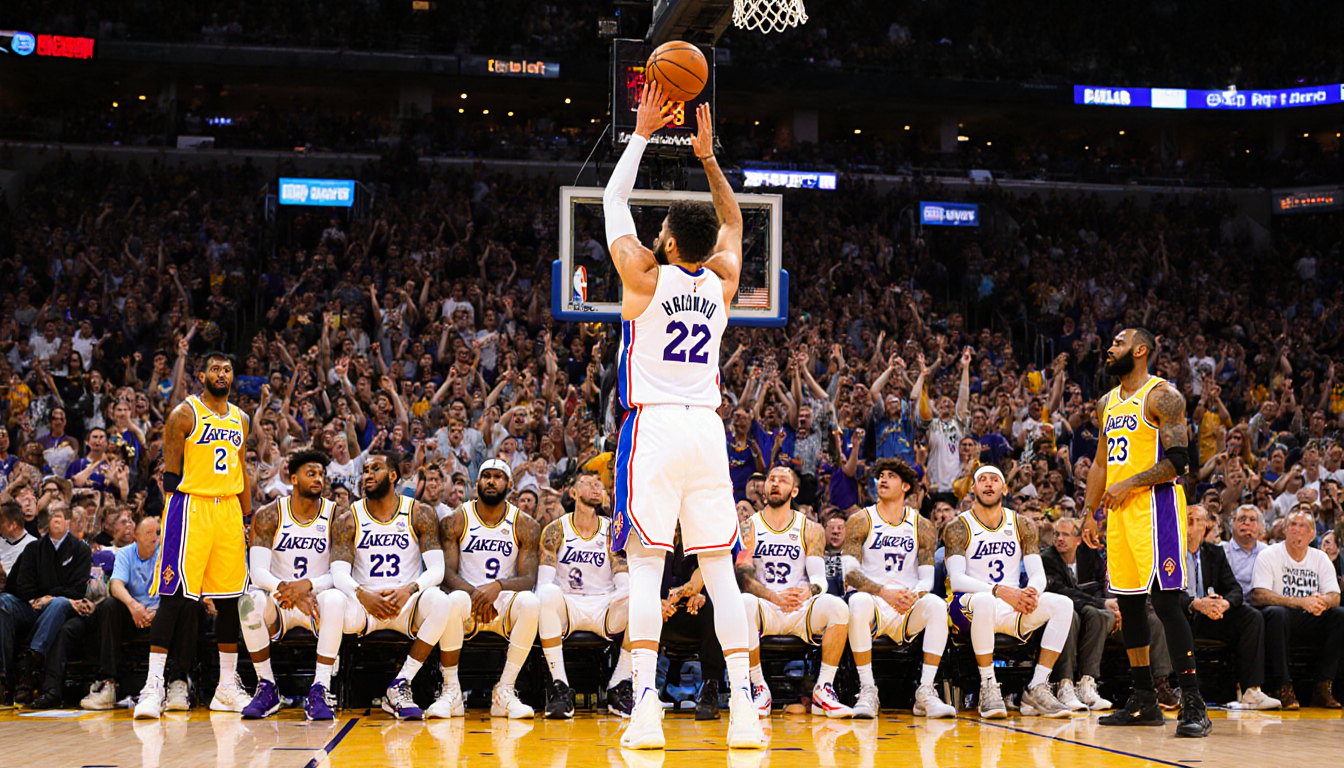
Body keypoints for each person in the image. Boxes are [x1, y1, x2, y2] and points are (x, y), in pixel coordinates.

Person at [601, 83, 762, 749]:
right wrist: (709, 159)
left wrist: (642, 132)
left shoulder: (644, 277)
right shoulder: (721, 280)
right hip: (706, 429)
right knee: (721, 572)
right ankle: (745, 711)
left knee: (645, 565)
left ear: (665, 240)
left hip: (656, 426)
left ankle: (644, 708)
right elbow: (734, 223)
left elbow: (613, 202)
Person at [1083, 329, 1211, 736]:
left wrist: (1130, 484)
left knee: (1168, 604)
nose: (1110, 348)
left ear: (1140, 350)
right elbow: (1100, 463)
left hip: (1158, 510)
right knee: (1131, 605)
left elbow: (1180, 461)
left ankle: (1193, 702)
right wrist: (1088, 512)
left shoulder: (1163, 396)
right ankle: (1144, 700)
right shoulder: (1106, 403)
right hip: (1119, 515)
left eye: (1118, 343)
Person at [137, 352, 252, 719]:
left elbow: (242, 469)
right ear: (202, 375)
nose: (222, 374)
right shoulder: (184, 414)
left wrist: (247, 517)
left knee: (230, 599)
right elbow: (171, 474)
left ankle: (227, 687)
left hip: (229, 509)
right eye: (215, 369)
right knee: (174, 597)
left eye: (227, 369)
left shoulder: (241, 419)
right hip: (190, 506)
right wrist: (175, 515)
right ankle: (153, 685)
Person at [330, 451, 453, 720]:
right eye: (365, 470)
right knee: (331, 602)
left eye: (376, 469)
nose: (368, 475)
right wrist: (362, 594)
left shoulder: (420, 512)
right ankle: (326, 680)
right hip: (364, 606)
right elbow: (338, 572)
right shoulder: (348, 518)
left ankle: (401, 684)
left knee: (441, 601)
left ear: (394, 475)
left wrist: (409, 590)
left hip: (405, 603)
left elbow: (437, 569)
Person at [943, 466, 1074, 718]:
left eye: (994, 480)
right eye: (982, 480)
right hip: (969, 605)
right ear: (973, 488)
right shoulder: (958, 526)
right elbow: (957, 580)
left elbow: (1037, 574)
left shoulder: (1022, 524)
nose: (988, 484)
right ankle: (988, 685)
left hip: (1012, 605)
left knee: (1062, 604)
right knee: (984, 601)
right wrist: (1000, 591)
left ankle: (1037, 687)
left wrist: (1031, 592)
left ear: (1004, 488)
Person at [841, 458, 956, 719]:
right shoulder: (860, 519)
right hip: (873, 602)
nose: (883, 479)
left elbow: (927, 578)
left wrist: (914, 595)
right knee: (857, 602)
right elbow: (849, 573)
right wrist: (884, 593)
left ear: (905, 486)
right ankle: (868, 690)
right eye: (880, 475)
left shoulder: (922, 525)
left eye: (890, 476)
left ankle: (926, 691)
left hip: (906, 604)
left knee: (937, 605)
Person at [238, 450, 347, 721]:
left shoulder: (337, 516)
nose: (318, 478)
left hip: (317, 602)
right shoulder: (269, 514)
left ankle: (320, 688)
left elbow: (341, 572)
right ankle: (266, 686)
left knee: (336, 599)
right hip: (281, 602)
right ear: (294, 478)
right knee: (248, 601)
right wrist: (292, 592)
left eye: (321, 474)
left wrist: (308, 586)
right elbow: (258, 572)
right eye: (311, 473)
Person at [737, 466, 853, 718]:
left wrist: (808, 592)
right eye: (771, 479)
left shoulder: (811, 529)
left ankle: (823, 689)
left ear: (794, 491)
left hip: (799, 607)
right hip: (766, 606)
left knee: (837, 607)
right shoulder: (748, 527)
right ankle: (759, 687)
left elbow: (820, 580)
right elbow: (743, 578)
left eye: (782, 480)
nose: (775, 484)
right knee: (743, 602)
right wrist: (773, 597)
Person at [437, 459, 541, 719]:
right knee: (451, 600)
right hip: (466, 603)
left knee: (531, 603)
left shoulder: (525, 524)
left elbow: (528, 579)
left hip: (502, 604)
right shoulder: (455, 520)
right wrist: (477, 595)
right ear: (477, 483)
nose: (491, 481)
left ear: (510, 485)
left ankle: (504, 690)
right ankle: (451, 691)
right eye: (486, 476)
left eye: (498, 477)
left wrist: (497, 587)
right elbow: (447, 574)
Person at [43, 517, 172, 711]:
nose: (155, 537)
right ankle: (107, 683)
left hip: (160, 614)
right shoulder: (125, 554)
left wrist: (157, 612)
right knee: (109, 606)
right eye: (149, 532)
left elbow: (172, 592)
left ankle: (177, 683)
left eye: (158, 532)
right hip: (130, 615)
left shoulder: (167, 555)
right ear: (136, 536)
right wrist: (134, 607)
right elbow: (116, 585)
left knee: (179, 608)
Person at [536, 469, 630, 719]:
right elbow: (544, 581)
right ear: (573, 493)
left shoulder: (611, 530)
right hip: (568, 605)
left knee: (638, 597)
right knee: (545, 594)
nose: (595, 486)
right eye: (587, 482)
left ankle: (619, 684)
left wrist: (625, 594)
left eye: (599, 483)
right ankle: (560, 687)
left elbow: (622, 574)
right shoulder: (555, 530)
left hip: (604, 605)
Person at [1179, 505, 1278, 710]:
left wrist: (1223, 604)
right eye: (1189, 520)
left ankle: (1251, 690)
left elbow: (1235, 589)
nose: (1193, 525)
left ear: (1206, 527)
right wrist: (1197, 604)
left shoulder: (1214, 552)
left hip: (1209, 616)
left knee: (1251, 617)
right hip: (1181, 614)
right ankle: (1172, 688)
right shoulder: (1170, 552)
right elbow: (1164, 593)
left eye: (1199, 521)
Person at [0, 503, 93, 705]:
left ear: (69, 522)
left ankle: (29, 663)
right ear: (46, 523)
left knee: (59, 603)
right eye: (53, 516)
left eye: (61, 516)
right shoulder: (33, 549)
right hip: (32, 605)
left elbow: (77, 591)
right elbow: (20, 584)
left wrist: (50, 597)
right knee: (3, 602)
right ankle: (3, 676)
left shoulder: (81, 550)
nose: (57, 520)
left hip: (64, 608)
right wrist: (37, 599)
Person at [1251, 508, 1344, 709]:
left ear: (1312, 534)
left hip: (1310, 617)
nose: (1297, 530)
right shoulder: (1269, 555)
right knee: (1277, 613)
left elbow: (1335, 596)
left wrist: (1321, 602)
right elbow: (1259, 595)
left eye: (1303, 526)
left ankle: (1323, 686)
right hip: (1279, 618)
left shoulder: (1320, 558)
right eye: (1293, 525)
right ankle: (1283, 686)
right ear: (1285, 529)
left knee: (1340, 615)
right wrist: (1300, 602)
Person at [1041, 516, 1115, 711]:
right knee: (1070, 616)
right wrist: (1100, 602)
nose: (1059, 539)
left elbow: (1101, 585)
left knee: (1100, 615)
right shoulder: (1047, 559)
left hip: (1087, 609)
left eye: (1065, 535)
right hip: (1059, 611)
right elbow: (1061, 591)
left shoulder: (1089, 556)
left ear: (1078, 540)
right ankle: (1064, 684)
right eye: (1057, 534)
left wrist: (1108, 606)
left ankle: (1086, 683)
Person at [1223, 505, 1269, 596]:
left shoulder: (1267, 552)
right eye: (1242, 519)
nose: (1247, 523)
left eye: (1252, 520)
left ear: (1260, 527)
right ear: (1232, 524)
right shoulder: (1222, 551)